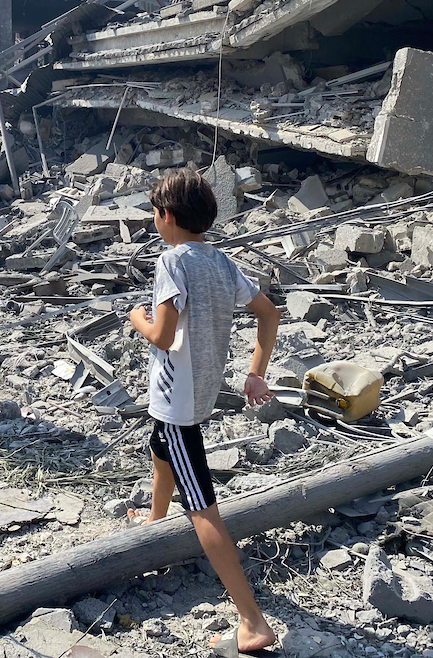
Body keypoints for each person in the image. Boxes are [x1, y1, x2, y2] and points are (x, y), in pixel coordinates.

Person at [128, 168, 280, 656]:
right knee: (160, 448)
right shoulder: (219, 260)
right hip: (197, 392)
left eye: (154, 213)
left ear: (166, 217)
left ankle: (252, 620)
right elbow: (269, 312)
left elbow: (165, 337)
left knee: (203, 509)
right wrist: (255, 371)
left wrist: (138, 320)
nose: (154, 221)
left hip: (179, 400)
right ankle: (155, 519)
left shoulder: (171, 261)